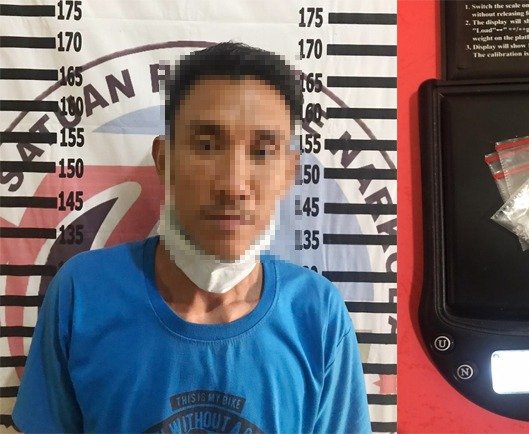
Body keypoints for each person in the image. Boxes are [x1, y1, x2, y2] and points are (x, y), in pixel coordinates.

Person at [13, 41, 372, 433]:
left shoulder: (316, 314)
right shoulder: (83, 294)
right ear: (164, 159)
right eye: (206, 146)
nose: (234, 185)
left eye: (262, 151)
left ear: (289, 172)